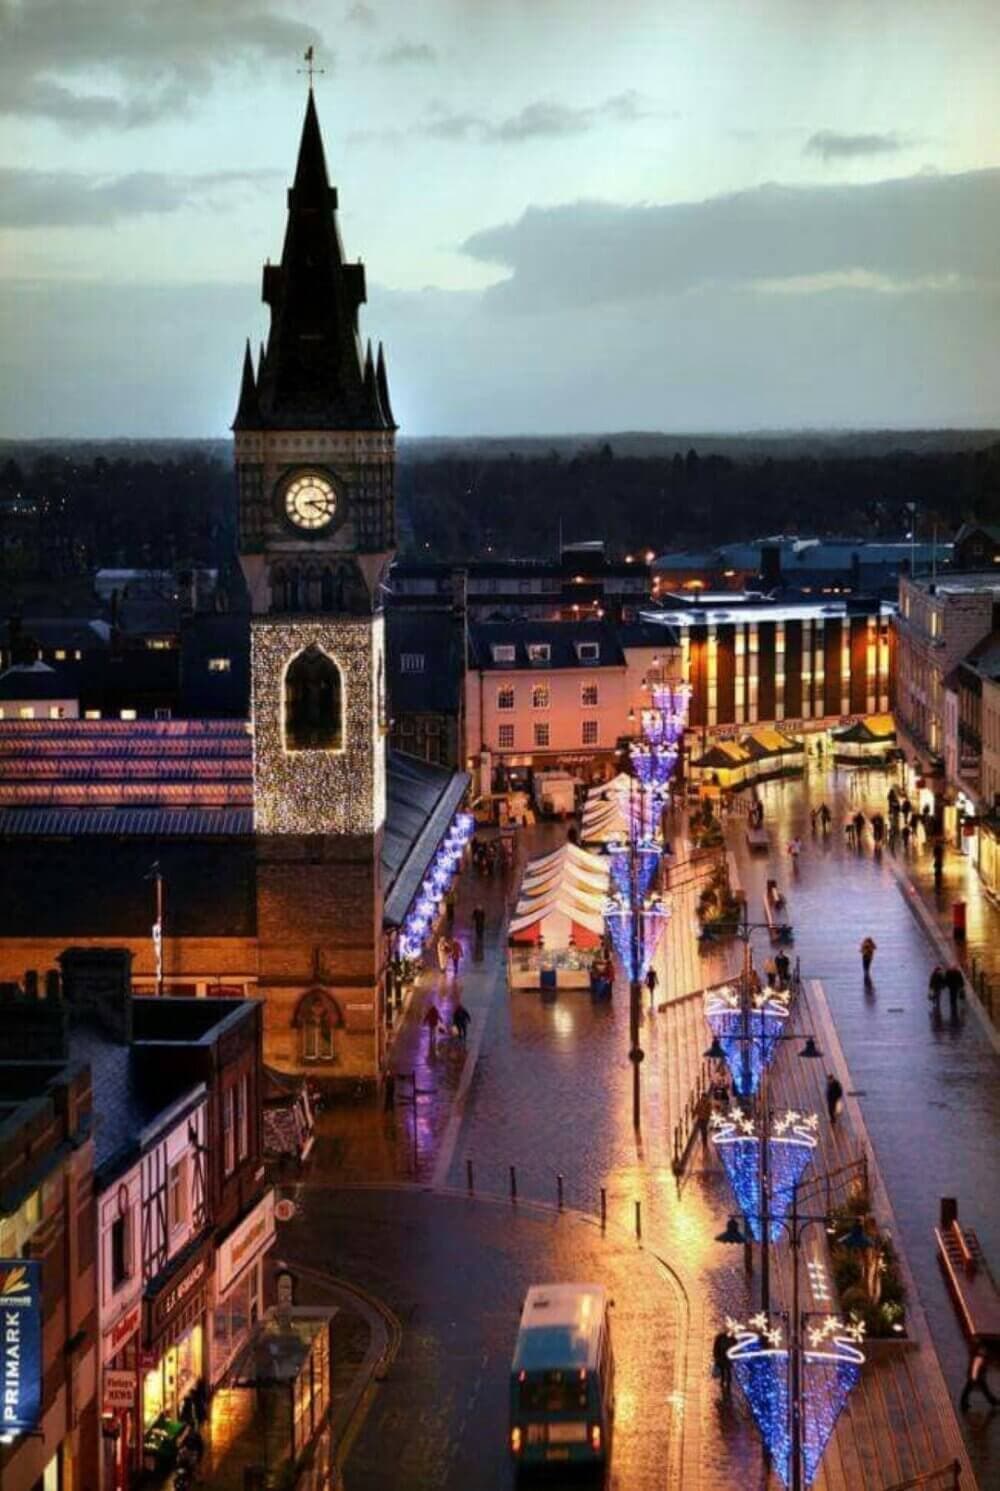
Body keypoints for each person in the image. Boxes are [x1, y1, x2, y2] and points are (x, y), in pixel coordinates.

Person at [960, 1336, 1000, 1411]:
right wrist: (974, 1378)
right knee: (971, 1389)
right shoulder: (981, 1356)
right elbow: (976, 1367)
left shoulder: (980, 1353)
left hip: (976, 1376)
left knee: (970, 1389)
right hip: (976, 1377)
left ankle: (993, 1401)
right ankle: (993, 1401)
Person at [712, 1328, 735, 1399]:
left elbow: (735, 1347)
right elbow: (716, 1348)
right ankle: (723, 1383)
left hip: (726, 1359)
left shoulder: (731, 1339)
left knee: (727, 1371)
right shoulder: (721, 1338)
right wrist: (716, 1356)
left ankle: (727, 1384)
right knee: (724, 1370)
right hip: (723, 1358)